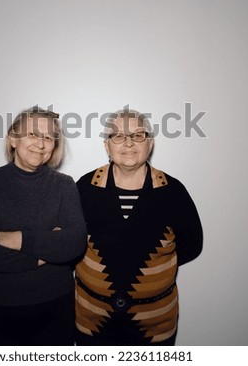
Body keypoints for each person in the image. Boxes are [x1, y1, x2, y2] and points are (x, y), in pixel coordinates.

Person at [75, 109, 203, 346]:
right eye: (118, 136)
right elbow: (69, 242)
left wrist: (151, 275)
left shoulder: (173, 192)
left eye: (138, 135)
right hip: (92, 321)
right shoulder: (84, 188)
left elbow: (192, 245)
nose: (129, 143)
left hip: (154, 326)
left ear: (150, 143)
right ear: (107, 146)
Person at [0, 106, 86, 346]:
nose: (41, 144)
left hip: (54, 308)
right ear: (13, 139)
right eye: (32, 134)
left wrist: (16, 239)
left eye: (49, 137)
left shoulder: (65, 185)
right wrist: (44, 254)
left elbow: (73, 244)